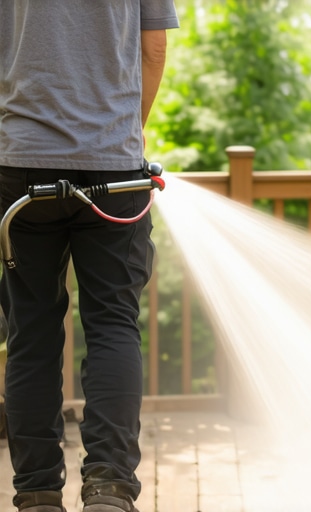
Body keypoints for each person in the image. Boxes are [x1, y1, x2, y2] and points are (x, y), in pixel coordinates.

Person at [0, 2, 179, 512]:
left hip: (20, 164)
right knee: (113, 325)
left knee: (30, 332)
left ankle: (36, 493)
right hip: (113, 165)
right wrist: (124, 135)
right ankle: (109, 488)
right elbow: (154, 47)